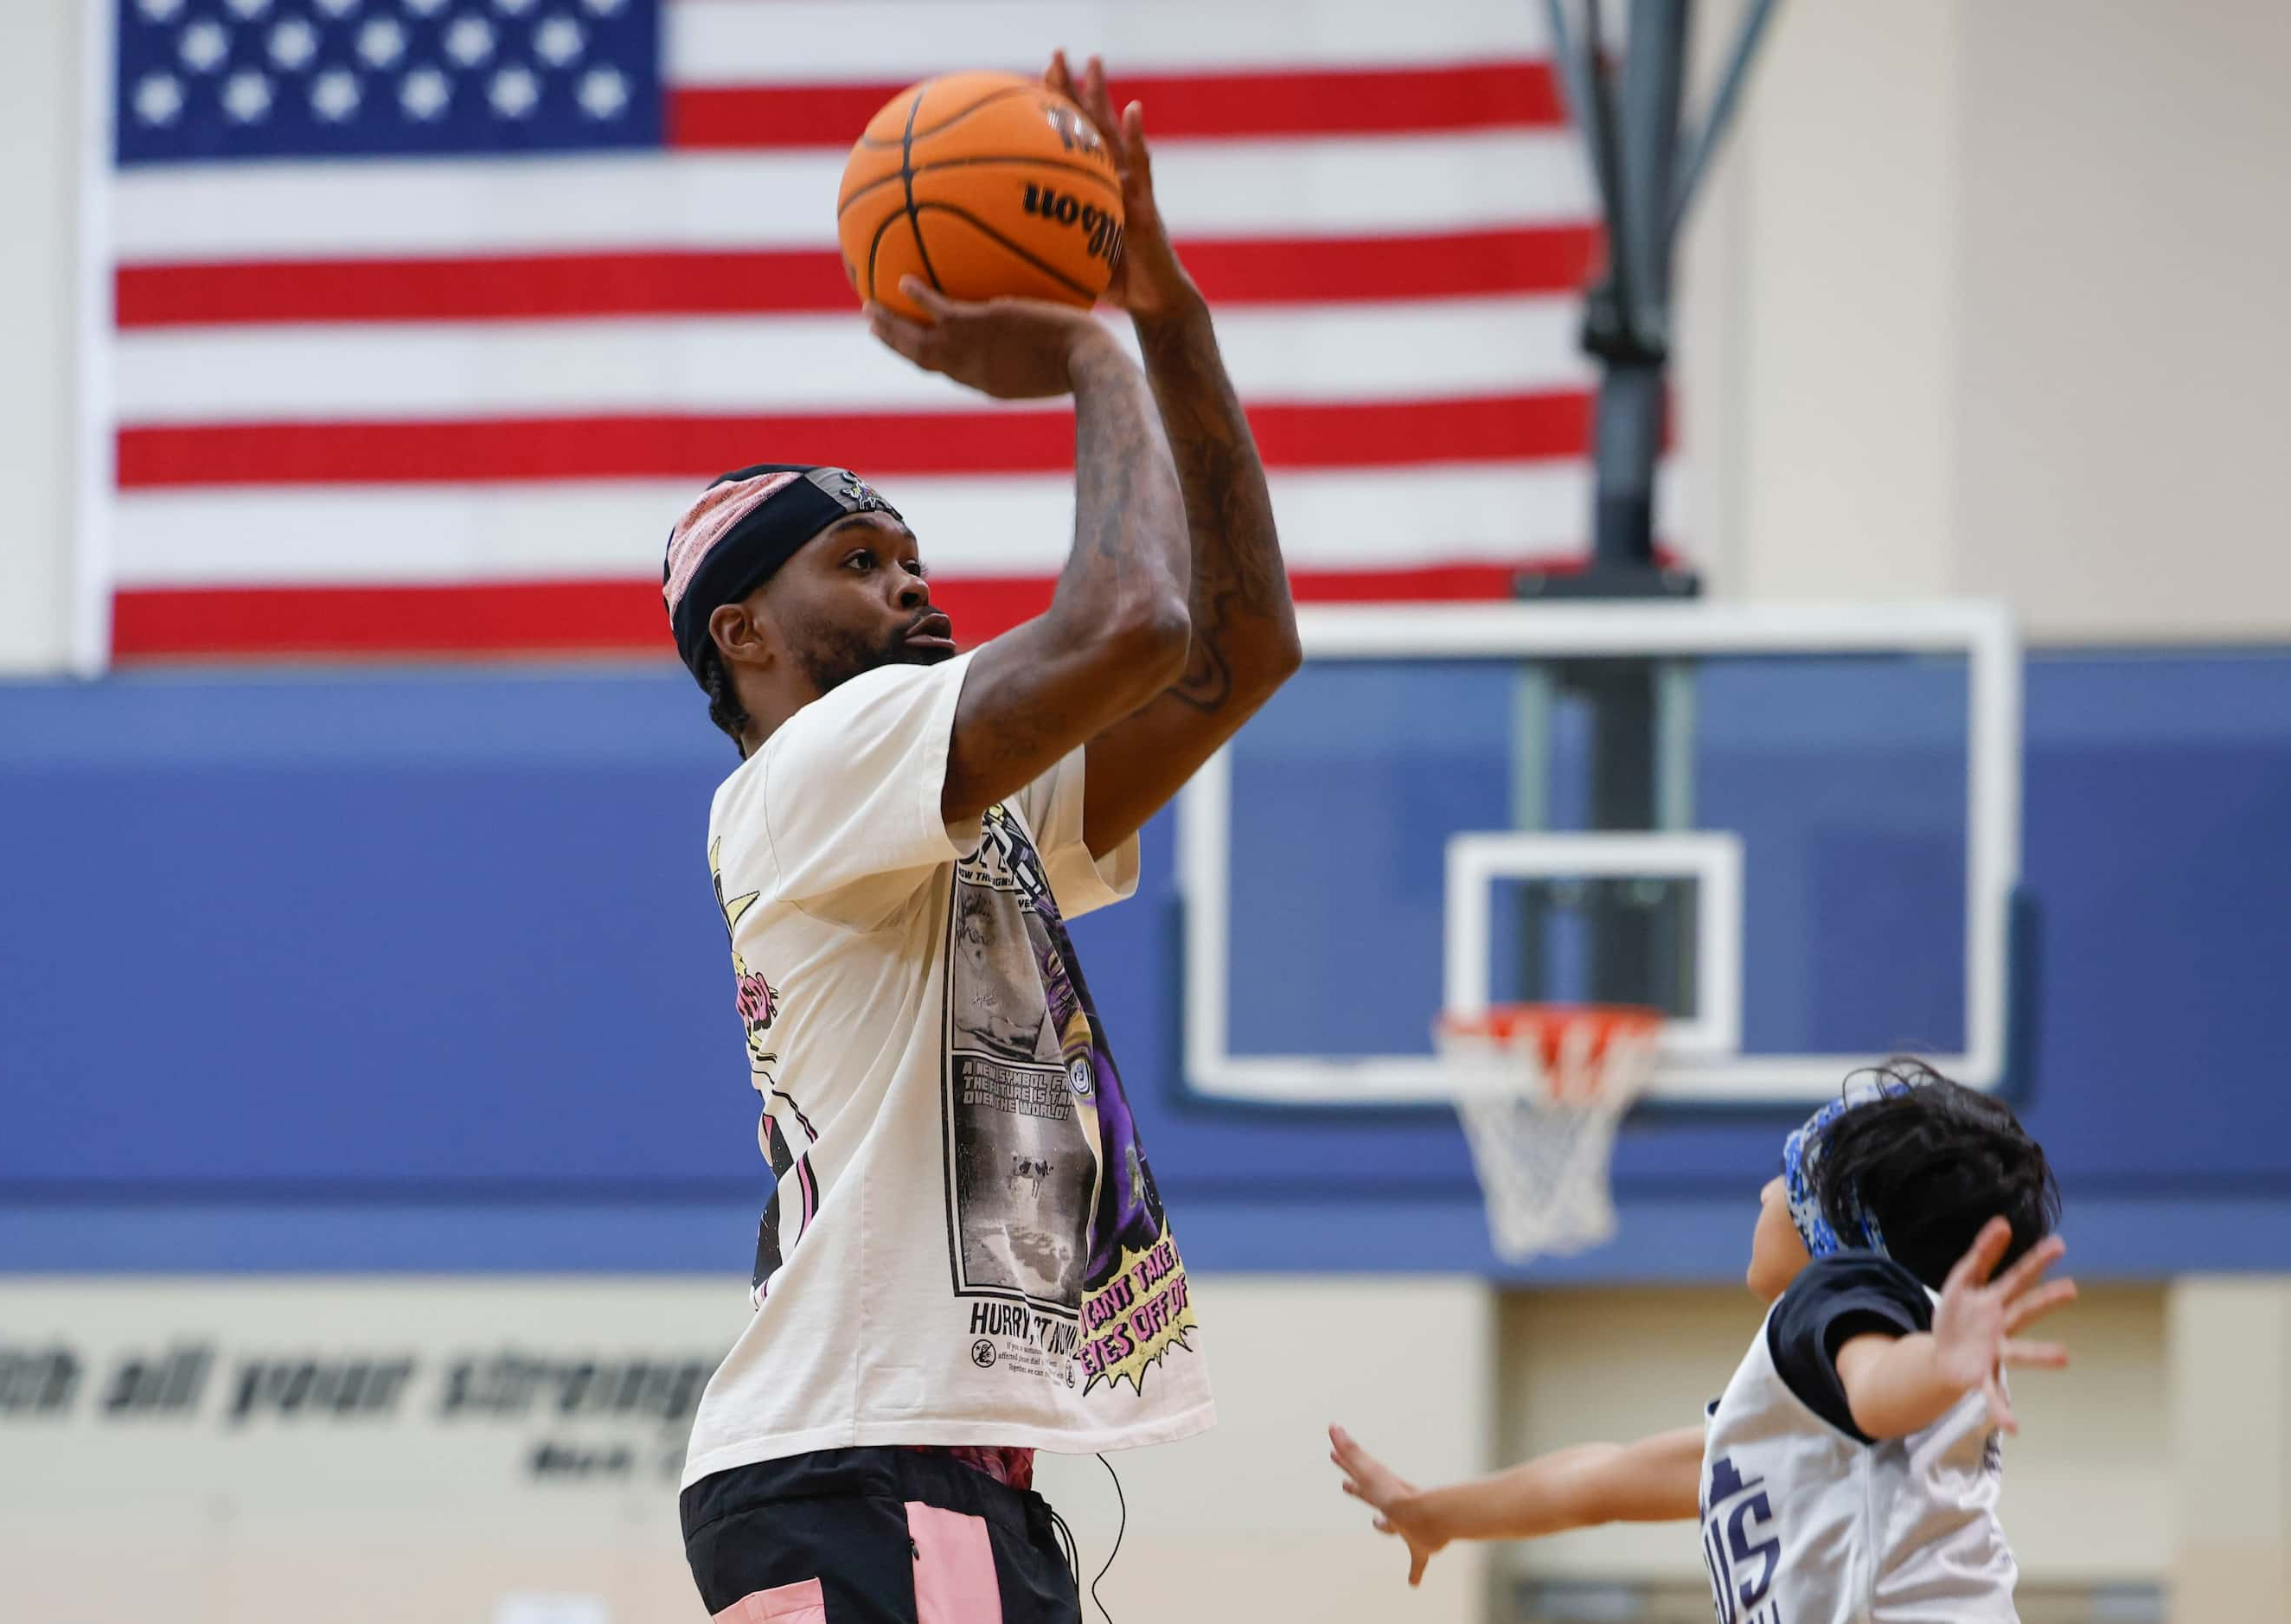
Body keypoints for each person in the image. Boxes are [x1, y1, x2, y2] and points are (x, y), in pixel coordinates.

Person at [670, 52, 1302, 1624]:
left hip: (937, 1472)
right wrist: (1093, 348)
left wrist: (1170, 315)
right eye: (859, 559)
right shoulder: (813, 765)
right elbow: (1133, 617)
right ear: (743, 631)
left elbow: (1237, 649)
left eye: (912, 557)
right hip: (857, 1461)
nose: (908, 587)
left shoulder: (943, 798)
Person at [1330, 1060, 2076, 1622]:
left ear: (1833, 1221)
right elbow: (1602, 1481)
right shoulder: (1795, 1417)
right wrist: (1435, 1513)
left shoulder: (1847, 1293)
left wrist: (1936, 1365)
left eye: (1784, 1180)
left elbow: (1878, 1392)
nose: (1761, 1194)